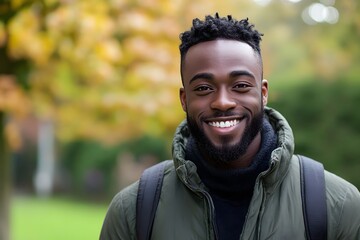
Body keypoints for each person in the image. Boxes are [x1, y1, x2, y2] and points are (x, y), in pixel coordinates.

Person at [100, 13, 360, 239]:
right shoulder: (134, 210)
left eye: (241, 86)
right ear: (184, 99)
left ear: (263, 92)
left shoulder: (336, 205)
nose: (222, 102)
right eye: (203, 88)